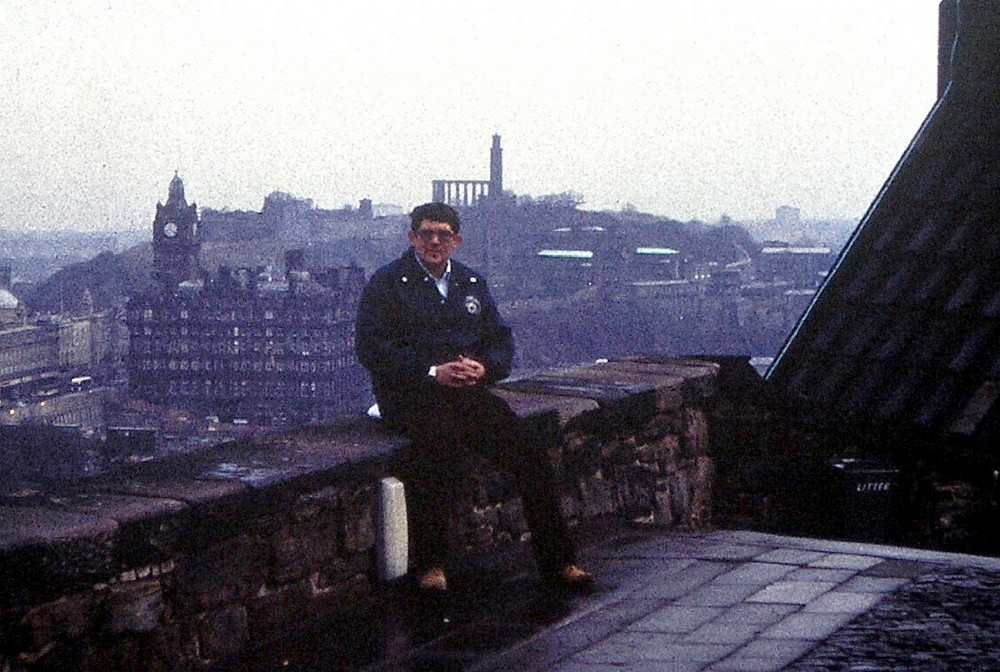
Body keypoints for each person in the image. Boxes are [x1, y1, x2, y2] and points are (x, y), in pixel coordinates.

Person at [355, 202, 592, 592]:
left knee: (529, 452)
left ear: (456, 240)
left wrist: (484, 368)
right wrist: (432, 371)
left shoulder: (471, 284)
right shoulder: (386, 284)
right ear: (412, 237)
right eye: (427, 233)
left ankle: (560, 561)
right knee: (438, 448)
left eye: (443, 234)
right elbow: (372, 348)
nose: (435, 241)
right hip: (411, 396)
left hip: (466, 394)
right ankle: (431, 566)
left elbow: (499, 341)